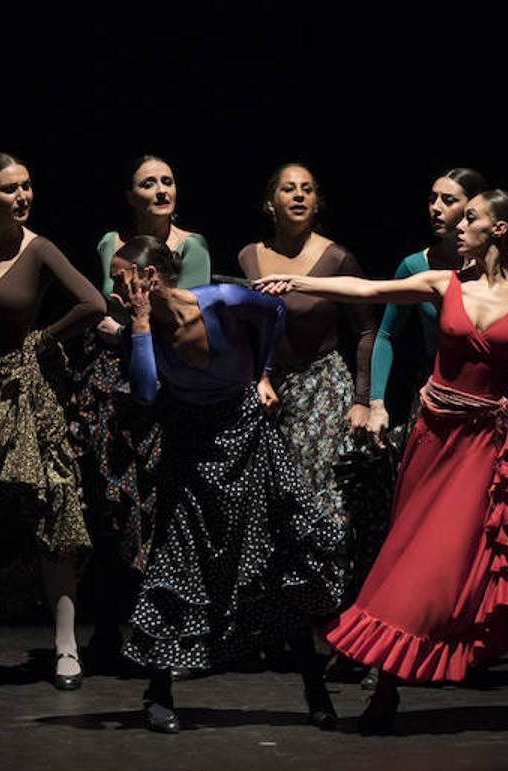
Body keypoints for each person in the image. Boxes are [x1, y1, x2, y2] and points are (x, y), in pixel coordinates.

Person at [255, 189, 508, 733]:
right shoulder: (444, 283)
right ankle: (386, 691)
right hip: (440, 442)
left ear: (499, 231)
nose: (457, 227)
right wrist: (297, 282)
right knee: (418, 560)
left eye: (469, 219)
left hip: (499, 447)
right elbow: (368, 289)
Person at [114, 236, 345, 733]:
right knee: (177, 560)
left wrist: (262, 373)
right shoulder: (141, 331)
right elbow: (145, 391)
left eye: (122, 278)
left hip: (246, 436)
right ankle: (158, 691)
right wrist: (135, 323)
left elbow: (274, 313)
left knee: (280, 559)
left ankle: (314, 687)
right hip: (190, 445)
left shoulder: (222, 301)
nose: (116, 289)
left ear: (150, 277)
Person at [0, 152, 105, 689]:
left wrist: (45, 338)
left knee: (54, 502)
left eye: (28, 187)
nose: (23, 197)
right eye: (10, 189)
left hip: (22, 388)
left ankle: (65, 644)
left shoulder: (39, 249)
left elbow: (92, 302)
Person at [74, 156, 212, 671]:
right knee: (110, 511)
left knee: (160, 510)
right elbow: (109, 307)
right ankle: (109, 628)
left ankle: (161, 631)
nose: (160, 190)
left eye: (168, 181)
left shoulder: (191, 246)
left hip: (162, 375)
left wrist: (133, 328)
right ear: (130, 195)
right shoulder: (111, 244)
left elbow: (185, 316)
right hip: (113, 382)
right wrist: (121, 328)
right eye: (148, 183)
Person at [237, 164, 374, 563]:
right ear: (269, 203)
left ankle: (325, 603)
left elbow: (367, 331)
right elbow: (243, 330)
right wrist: (258, 374)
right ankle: (280, 609)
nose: (299, 195)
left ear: (317, 203)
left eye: (308, 190)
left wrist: (363, 400)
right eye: (288, 189)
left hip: (323, 388)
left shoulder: (338, 258)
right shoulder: (249, 256)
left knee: (318, 495)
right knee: (267, 495)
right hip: (268, 390)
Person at [367, 167, 508, 438]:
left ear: (474, 207)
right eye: (432, 199)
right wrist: (376, 402)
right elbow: (386, 334)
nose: (435, 208)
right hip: (436, 390)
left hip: (494, 389)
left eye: (448, 200)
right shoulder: (416, 267)